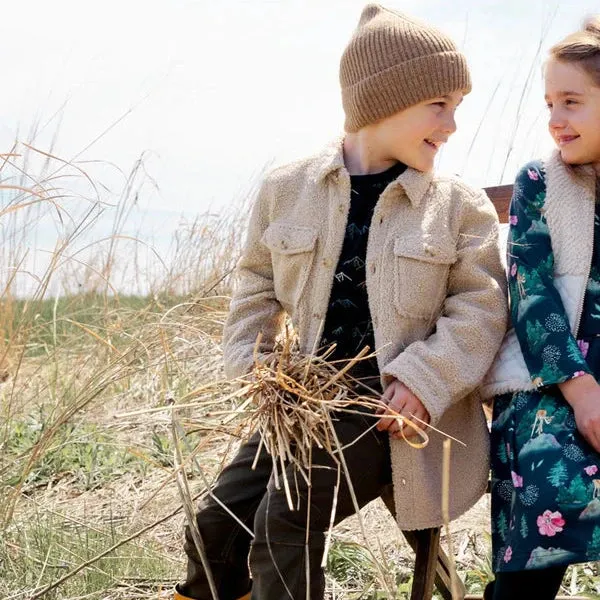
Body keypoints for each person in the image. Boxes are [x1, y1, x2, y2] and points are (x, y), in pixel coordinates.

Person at [175, 4, 507, 599]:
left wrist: (422, 382)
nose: (453, 124)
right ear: (382, 102)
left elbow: (480, 309)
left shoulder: (457, 206)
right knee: (216, 526)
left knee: (286, 519)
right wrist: (255, 366)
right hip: (303, 402)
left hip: (390, 412)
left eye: (458, 106)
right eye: (440, 105)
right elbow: (255, 281)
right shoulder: (288, 188)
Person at [481, 16, 600, 600]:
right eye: (550, 102)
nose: (555, 118)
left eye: (572, 102)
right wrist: (582, 392)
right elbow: (530, 290)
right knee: (553, 481)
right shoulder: (540, 182)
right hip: (549, 379)